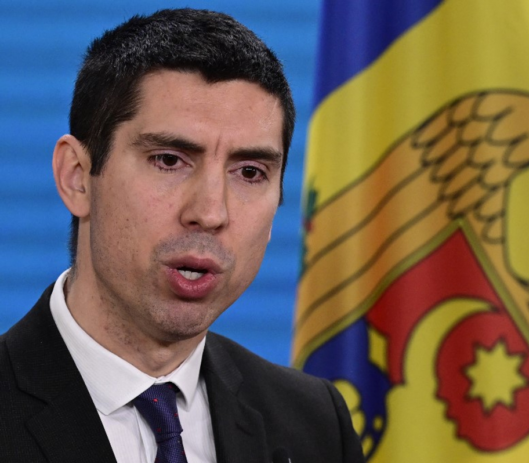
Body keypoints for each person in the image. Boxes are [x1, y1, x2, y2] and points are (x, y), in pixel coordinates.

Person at [0, 8, 364, 463]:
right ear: (77, 177)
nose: (211, 213)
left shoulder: (314, 423)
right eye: (169, 160)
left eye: (250, 172)